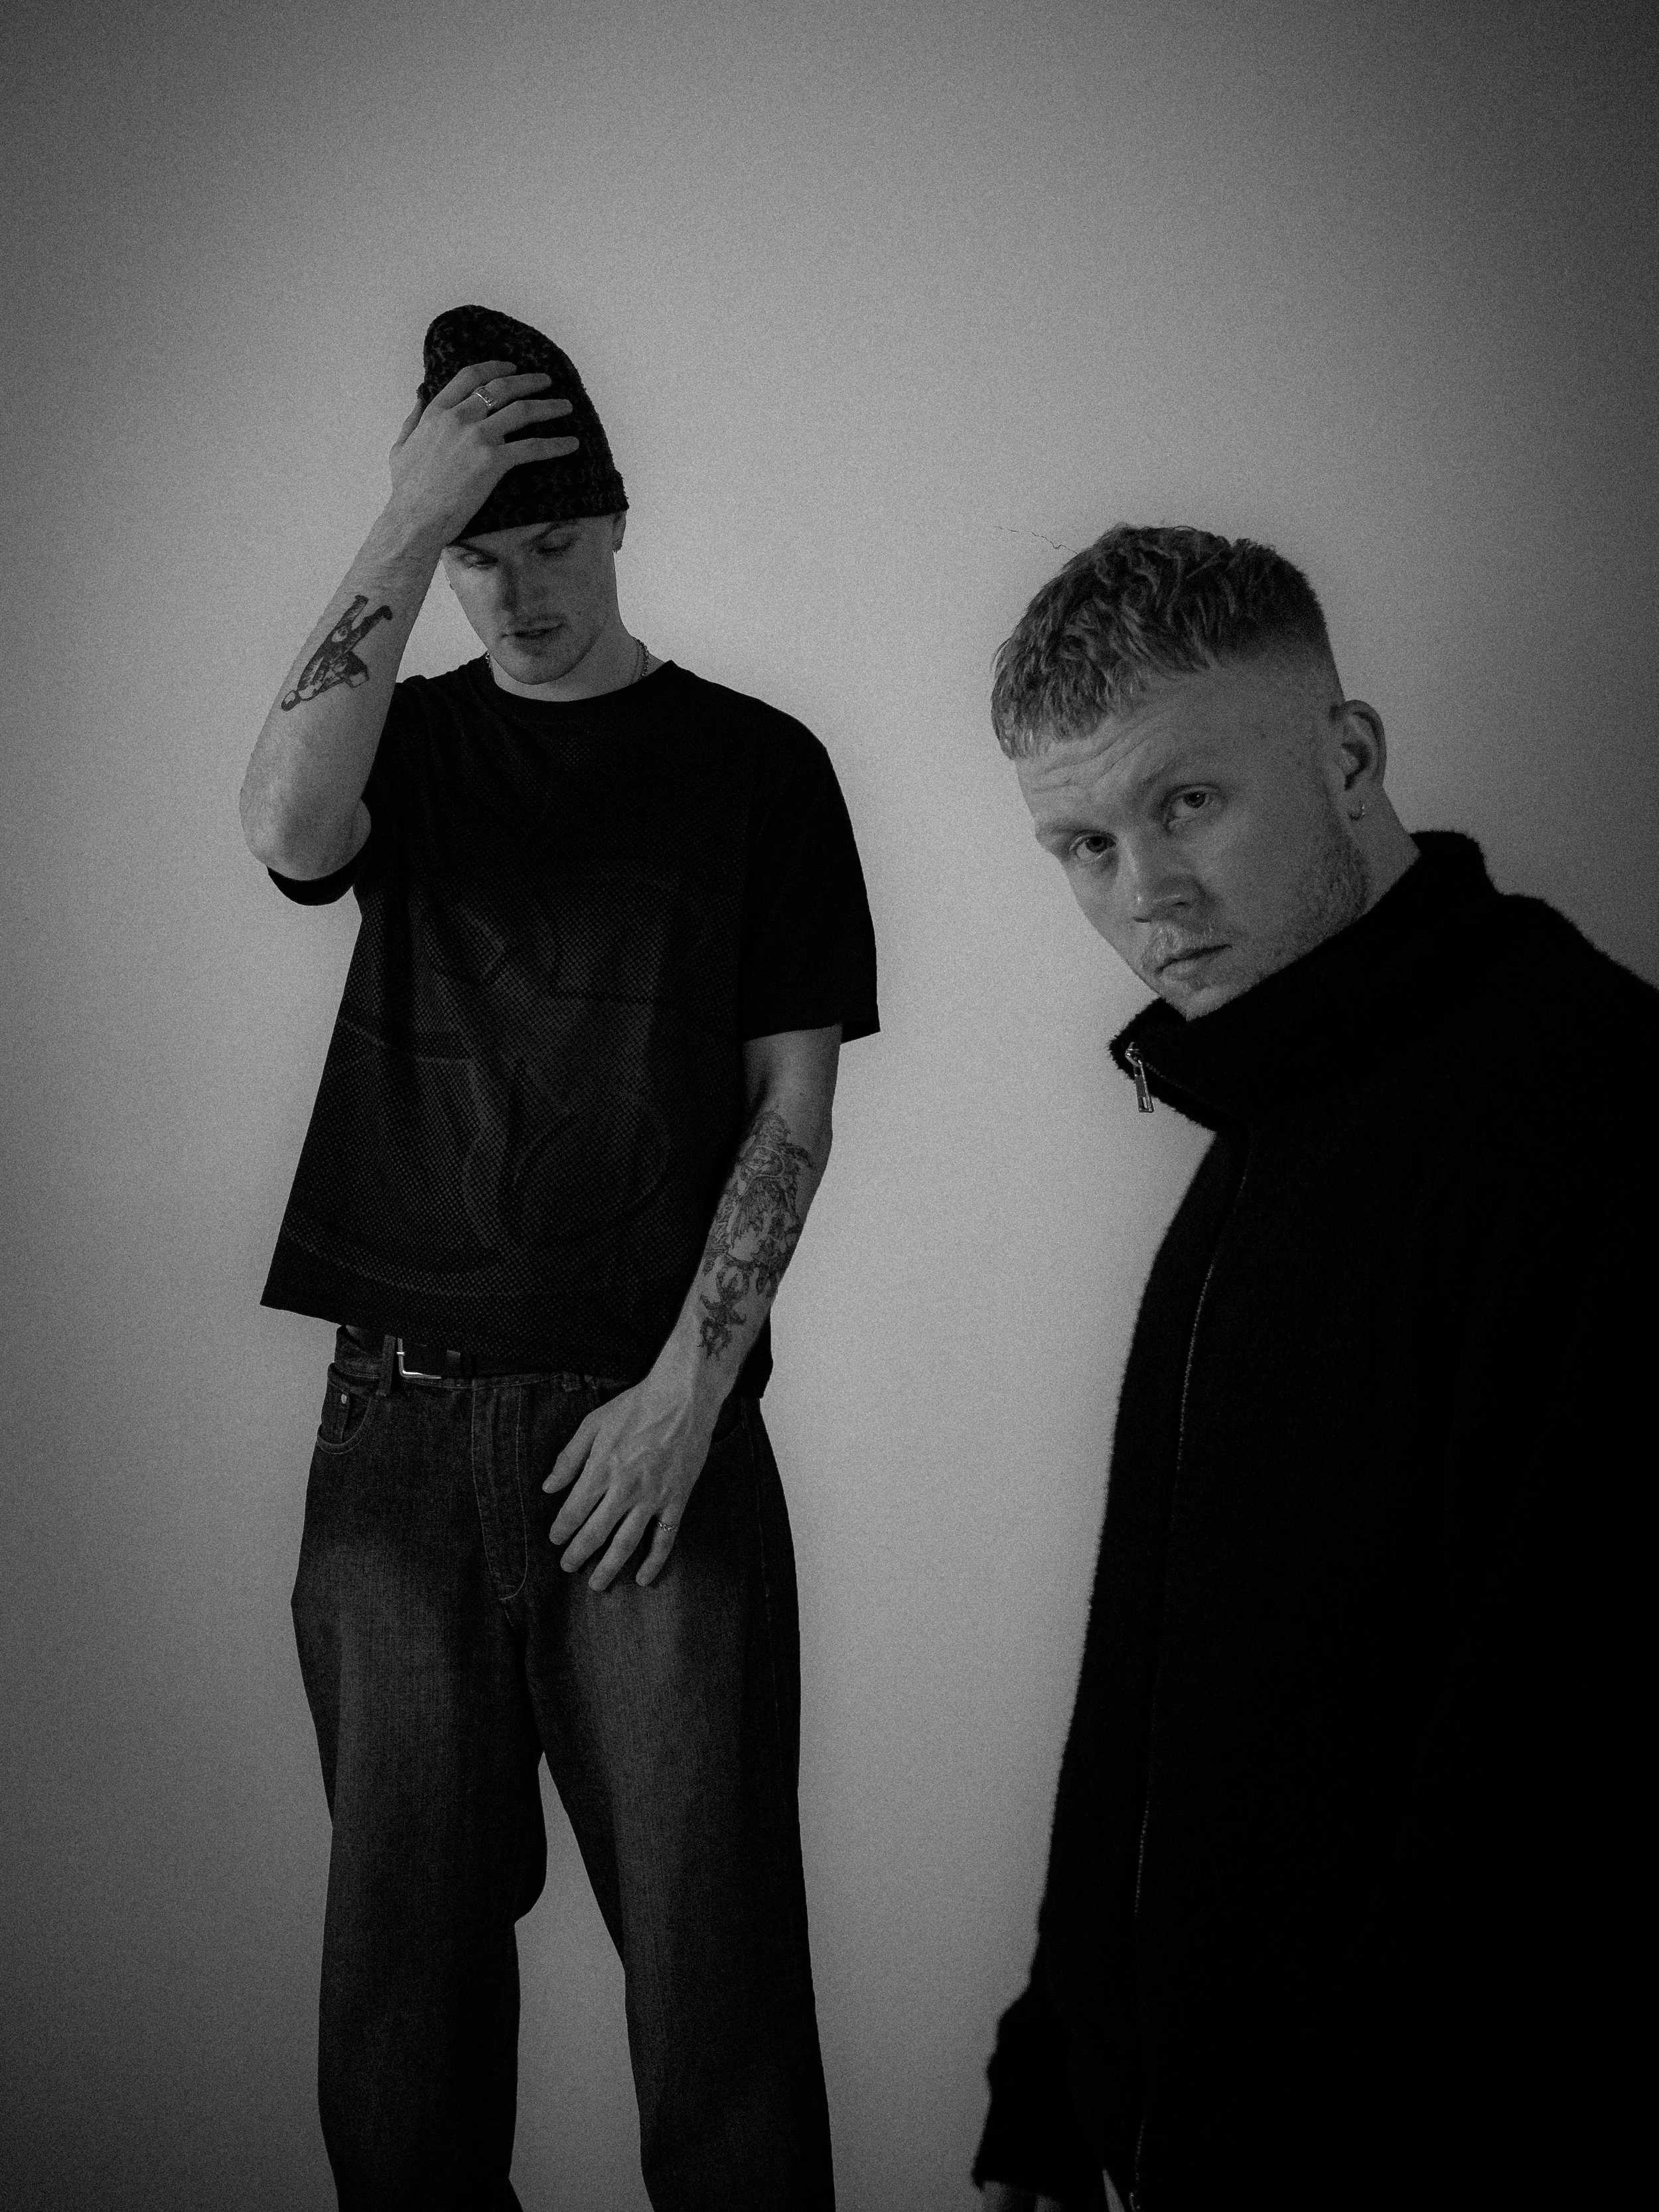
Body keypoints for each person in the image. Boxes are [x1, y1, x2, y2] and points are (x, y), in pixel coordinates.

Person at [238, 303, 877, 2211]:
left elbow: (791, 1112)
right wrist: (395, 517)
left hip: (650, 1445)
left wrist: (691, 1391)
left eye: (552, 547)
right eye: (477, 556)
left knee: (720, 2011)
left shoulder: (760, 770)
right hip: (393, 1437)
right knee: (401, 2039)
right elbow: (280, 823)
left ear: (621, 524)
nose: (515, 596)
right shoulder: (408, 747)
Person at [970, 525, 1651, 2212]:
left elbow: (1561, 1761)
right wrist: (1055, 2079)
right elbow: (1146, 1661)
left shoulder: (1587, 1107)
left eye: (1187, 804)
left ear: (1346, 757)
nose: (1142, 897)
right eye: (1080, 843)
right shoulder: (1265, 1117)